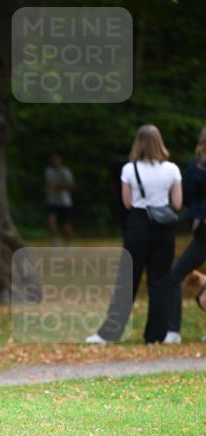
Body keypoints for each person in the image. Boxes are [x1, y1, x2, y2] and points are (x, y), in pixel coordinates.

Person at [86, 124, 182, 345]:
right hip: (164, 228)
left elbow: (127, 203)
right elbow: (176, 203)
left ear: (137, 143)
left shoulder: (130, 169)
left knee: (128, 278)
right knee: (159, 281)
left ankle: (110, 333)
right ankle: (155, 336)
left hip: (139, 224)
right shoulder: (172, 170)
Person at [159, 126, 206, 343]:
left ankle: (173, 331)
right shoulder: (195, 167)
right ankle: (172, 330)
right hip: (202, 235)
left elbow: (186, 198)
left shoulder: (196, 167)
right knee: (175, 274)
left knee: (175, 275)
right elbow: (186, 197)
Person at [45, 153, 75, 246]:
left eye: (56, 160)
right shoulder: (48, 171)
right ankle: (55, 241)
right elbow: (48, 185)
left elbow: (71, 186)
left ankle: (69, 243)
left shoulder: (65, 172)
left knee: (66, 226)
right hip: (52, 201)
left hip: (64, 202)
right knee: (50, 222)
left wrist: (57, 187)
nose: (54, 162)